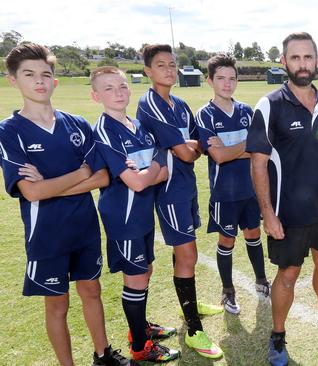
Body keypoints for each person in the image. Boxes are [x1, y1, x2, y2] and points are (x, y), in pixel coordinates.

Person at [0, 43, 134, 365]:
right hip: (47, 235)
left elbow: (102, 177)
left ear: (54, 81)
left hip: (85, 227)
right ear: (13, 80)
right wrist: (78, 173)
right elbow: (31, 194)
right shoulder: (9, 132)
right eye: (29, 75)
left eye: (45, 74)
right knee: (57, 305)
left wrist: (48, 186)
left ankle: (103, 355)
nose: (39, 81)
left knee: (92, 292)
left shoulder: (76, 123)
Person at [246, 32, 318, 366]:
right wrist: (268, 212)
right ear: (283, 62)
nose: (302, 64)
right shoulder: (270, 105)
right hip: (287, 211)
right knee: (289, 273)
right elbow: (258, 163)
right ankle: (277, 335)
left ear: (317, 60)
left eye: (308, 57)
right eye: (295, 58)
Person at [136, 44, 223, 359]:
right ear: (148, 70)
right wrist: (187, 146)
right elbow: (189, 152)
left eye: (172, 64)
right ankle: (194, 329)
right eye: (161, 65)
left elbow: (197, 144)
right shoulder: (150, 104)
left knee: (184, 253)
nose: (169, 70)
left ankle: (190, 301)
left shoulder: (182, 105)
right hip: (168, 191)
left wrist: (187, 146)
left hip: (186, 186)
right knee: (188, 254)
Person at [90, 66, 179, 362]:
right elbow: (140, 180)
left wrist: (147, 171)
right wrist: (151, 169)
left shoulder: (137, 124)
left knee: (145, 271)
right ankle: (140, 347)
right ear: (95, 95)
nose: (118, 93)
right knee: (136, 278)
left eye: (122, 86)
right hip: (123, 219)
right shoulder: (104, 129)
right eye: (109, 88)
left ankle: (140, 328)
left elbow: (161, 172)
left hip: (142, 214)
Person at [195, 52, 271, 315]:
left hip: (250, 189)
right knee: (227, 240)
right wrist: (244, 146)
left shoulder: (245, 111)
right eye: (221, 78)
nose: (227, 83)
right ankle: (228, 290)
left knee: (253, 235)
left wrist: (231, 148)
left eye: (231, 78)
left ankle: (261, 279)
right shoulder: (204, 115)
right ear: (210, 81)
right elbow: (219, 156)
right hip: (224, 193)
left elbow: (259, 149)